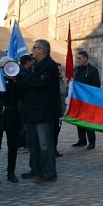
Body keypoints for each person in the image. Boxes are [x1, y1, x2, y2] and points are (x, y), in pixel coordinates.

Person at [14, 39, 62, 183]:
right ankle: (36, 169)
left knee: (45, 144)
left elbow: (37, 84)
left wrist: (18, 80)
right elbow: (27, 81)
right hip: (32, 111)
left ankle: (49, 172)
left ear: (41, 50)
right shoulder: (35, 66)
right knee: (33, 143)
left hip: (43, 112)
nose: (32, 50)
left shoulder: (49, 66)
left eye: (34, 48)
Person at [0, 57, 21, 184]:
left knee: (12, 146)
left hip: (11, 114)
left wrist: (13, 82)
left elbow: (17, 97)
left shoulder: (15, 81)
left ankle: (11, 171)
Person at [72, 50, 101, 149]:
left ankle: (91, 141)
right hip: (78, 100)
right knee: (79, 120)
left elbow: (97, 85)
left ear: (85, 59)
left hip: (88, 100)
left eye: (79, 58)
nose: (78, 60)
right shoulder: (76, 69)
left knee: (88, 121)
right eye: (77, 58)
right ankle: (82, 140)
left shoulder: (93, 70)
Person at [16, 54, 34, 150]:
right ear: (27, 62)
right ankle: (22, 143)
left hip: (22, 101)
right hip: (22, 102)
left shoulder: (21, 71)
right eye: (31, 62)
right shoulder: (23, 73)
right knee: (23, 123)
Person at [55, 62, 67, 158]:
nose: (59, 72)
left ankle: (54, 148)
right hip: (53, 111)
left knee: (57, 131)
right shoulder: (51, 81)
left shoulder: (62, 81)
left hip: (61, 111)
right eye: (57, 70)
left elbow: (65, 93)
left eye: (60, 70)